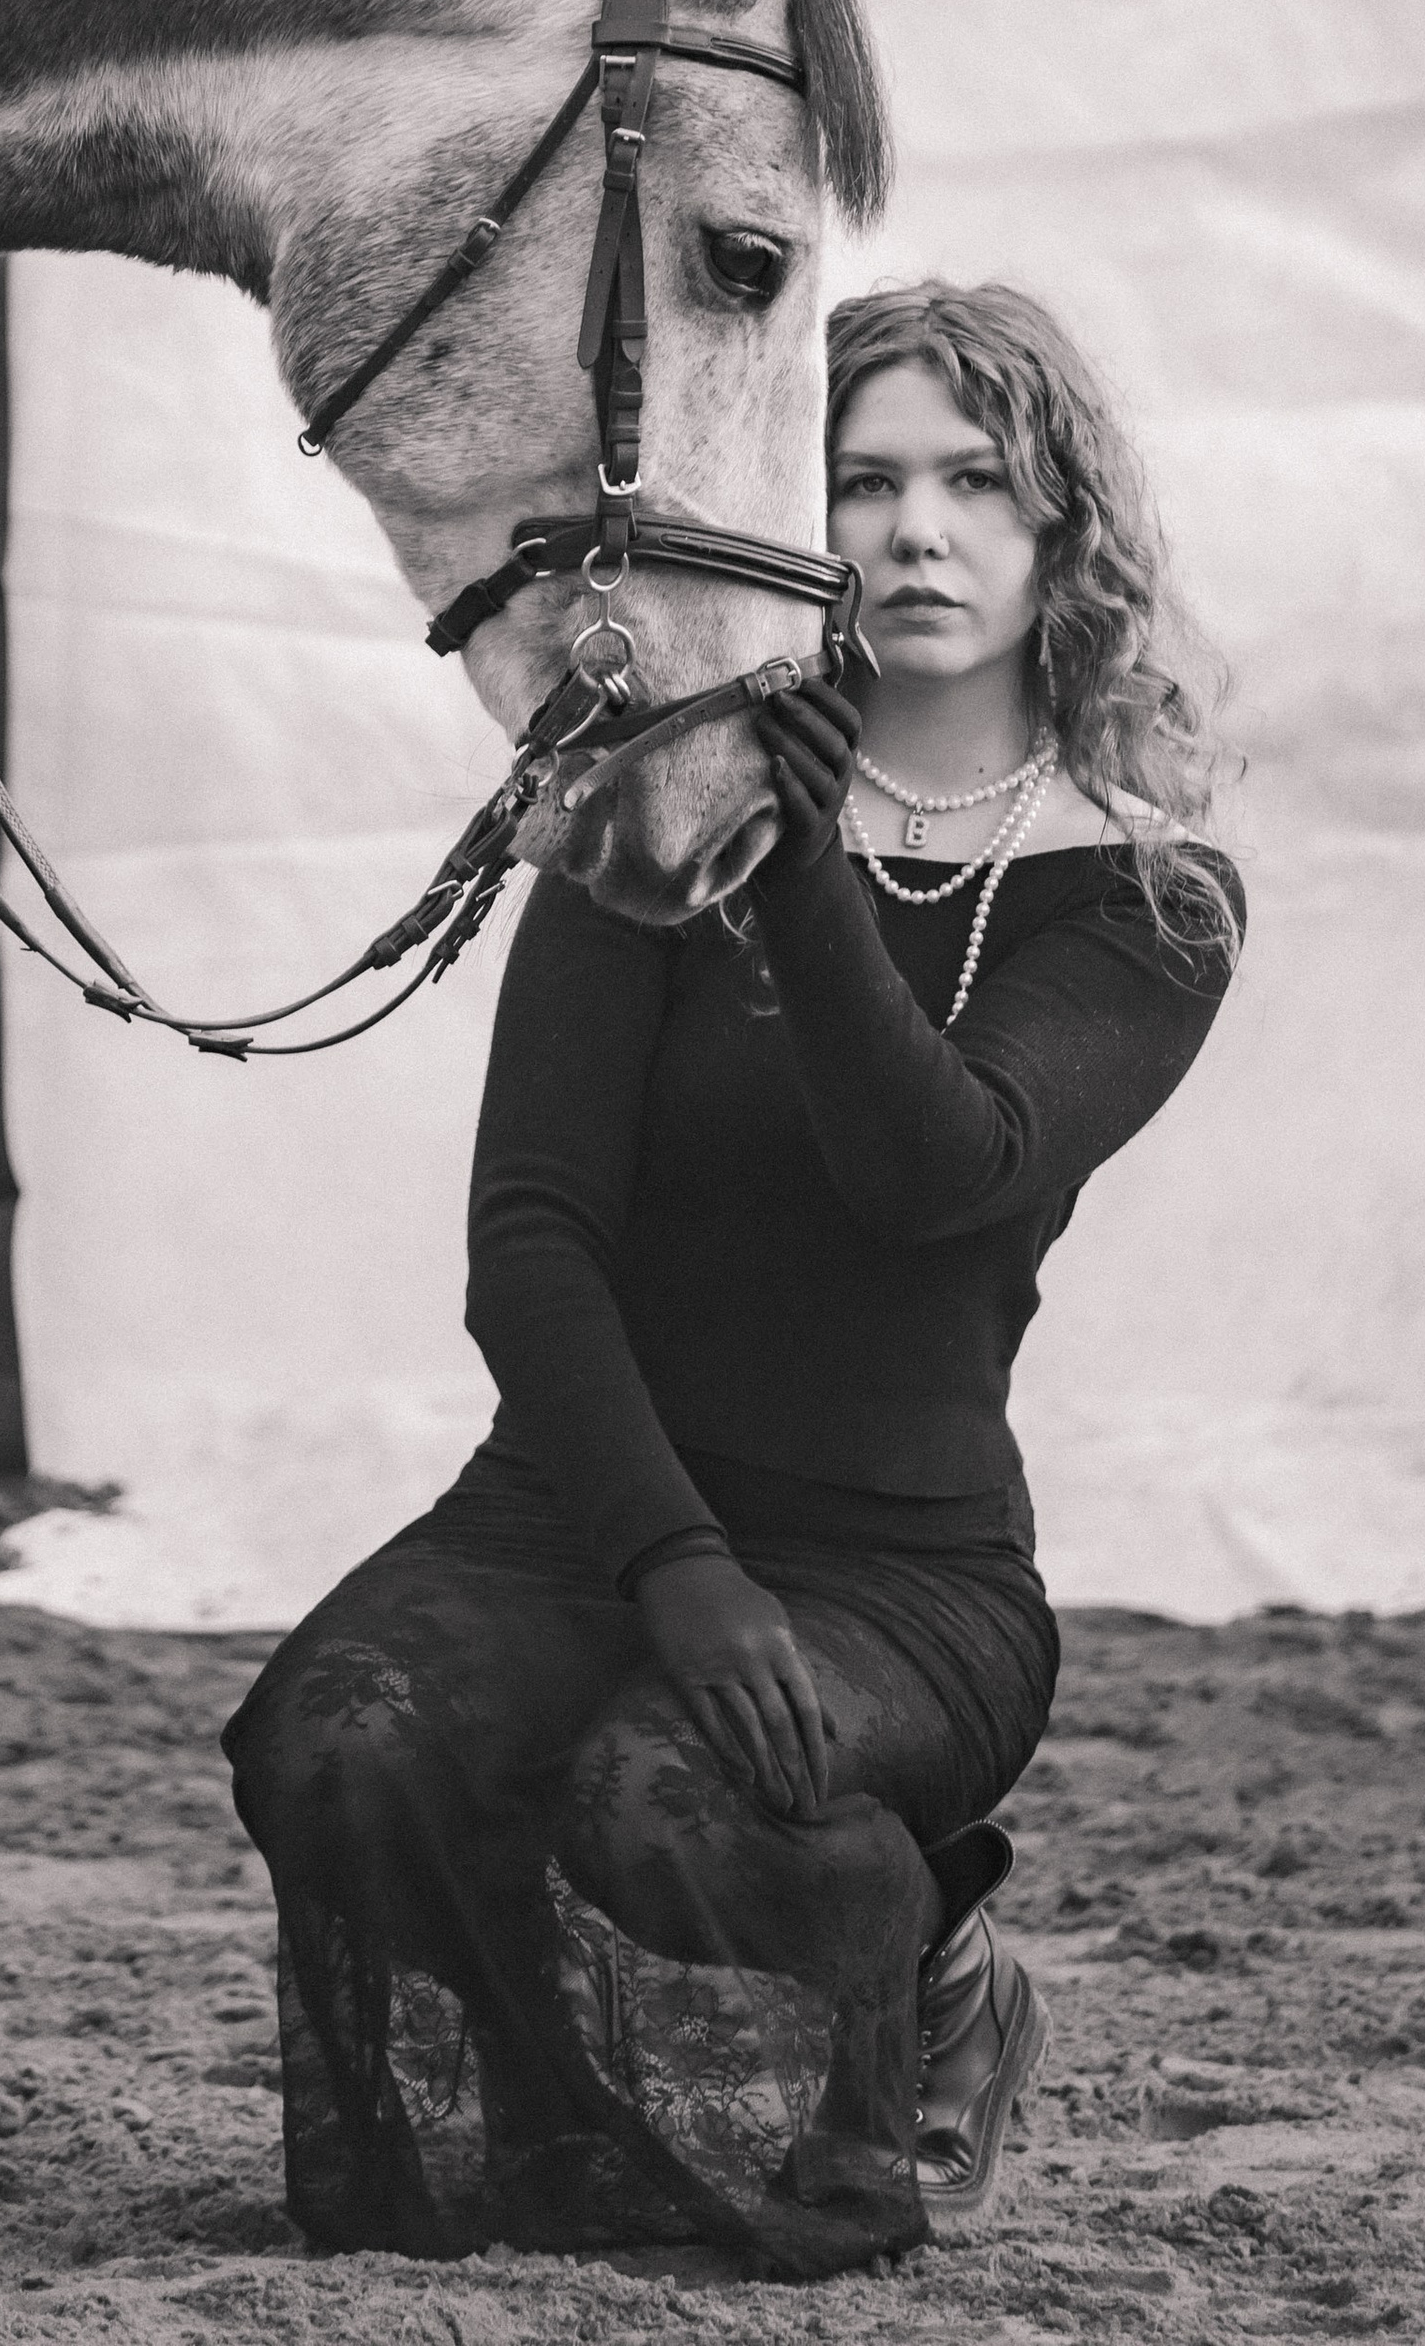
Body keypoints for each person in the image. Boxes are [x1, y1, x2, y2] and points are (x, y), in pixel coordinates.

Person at [225, 279, 1245, 2277]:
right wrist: (670, 1562)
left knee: (667, 1806)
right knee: (342, 1739)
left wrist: (799, 860)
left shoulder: (1148, 901)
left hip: (899, 1572)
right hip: (580, 1513)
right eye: (861, 482)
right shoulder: (645, 816)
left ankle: (929, 1966)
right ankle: (548, 2136)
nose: (917, 531)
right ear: (793, 514)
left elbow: (934, 1176)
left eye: (977, 482)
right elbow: (529, 1240)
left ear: (1062, 529)